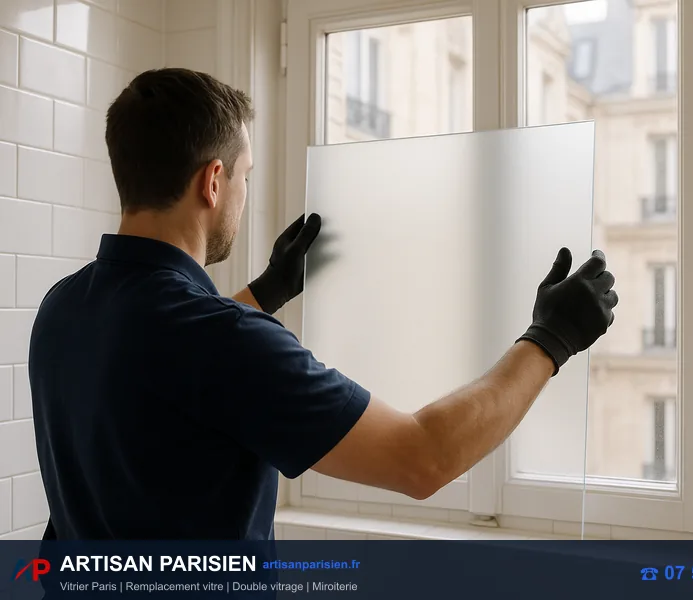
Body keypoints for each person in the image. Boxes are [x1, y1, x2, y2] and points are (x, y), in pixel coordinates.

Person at [29, 68, 618, 542]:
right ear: (212, 182)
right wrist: (551, 338)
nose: (240, 194)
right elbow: (424, 458)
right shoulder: (223, 341)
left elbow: (167, 371)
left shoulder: (63, 309)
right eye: (244, 177)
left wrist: (266, 293)